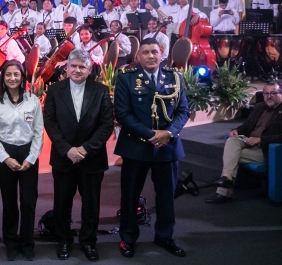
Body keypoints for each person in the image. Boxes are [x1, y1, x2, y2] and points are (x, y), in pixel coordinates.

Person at [114, 38, 189, 258]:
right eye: (145, 52)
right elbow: (123, 114)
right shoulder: (127, 79)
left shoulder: (174, 77)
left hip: (167, 147)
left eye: (154, 52)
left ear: (161, 53)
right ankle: (127, 238)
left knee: (166, 196)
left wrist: (168, 133)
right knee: (130, 196)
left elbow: (183, 111)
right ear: (138, 57)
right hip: (136, 146)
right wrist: (151, 135)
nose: (150, 56)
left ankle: (165, 236)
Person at [43, 50, 114, 261]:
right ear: (67, 68)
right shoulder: (55, 90)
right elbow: (50, 122)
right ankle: (64, 240)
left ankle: (88, 242)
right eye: (73, 66)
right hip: (63, 157)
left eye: (82, 67)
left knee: (91, 204)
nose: (77, 70)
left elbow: (106, 124)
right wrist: (68, 149)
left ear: (89, 69)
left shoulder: (100, 90)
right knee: (62, 203)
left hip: (91, 158)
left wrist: (84, 149)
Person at [0, 61, 43, 261]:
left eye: (16, 74)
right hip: (6, 154)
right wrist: (6, 159)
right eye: (8, 75)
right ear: (3, 78)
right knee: (9, 202)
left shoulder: (33, 101)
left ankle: (28, 243)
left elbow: (38, 133)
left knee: (29, 202)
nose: (12, 78)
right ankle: (11, 242)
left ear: (23, 77)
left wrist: (31, 158)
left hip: (29, 153)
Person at [206, 81, 282, 204]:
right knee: (232, 141)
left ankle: (223, 192)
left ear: (280, 94)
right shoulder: (259, 107)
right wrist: (236, 130)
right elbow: (246, 126)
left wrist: (261, 140)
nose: (269, 96)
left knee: (231, 155)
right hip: (249, 143)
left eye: (273, 93)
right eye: (266, 93)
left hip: (267, 150)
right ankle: (227, 179)